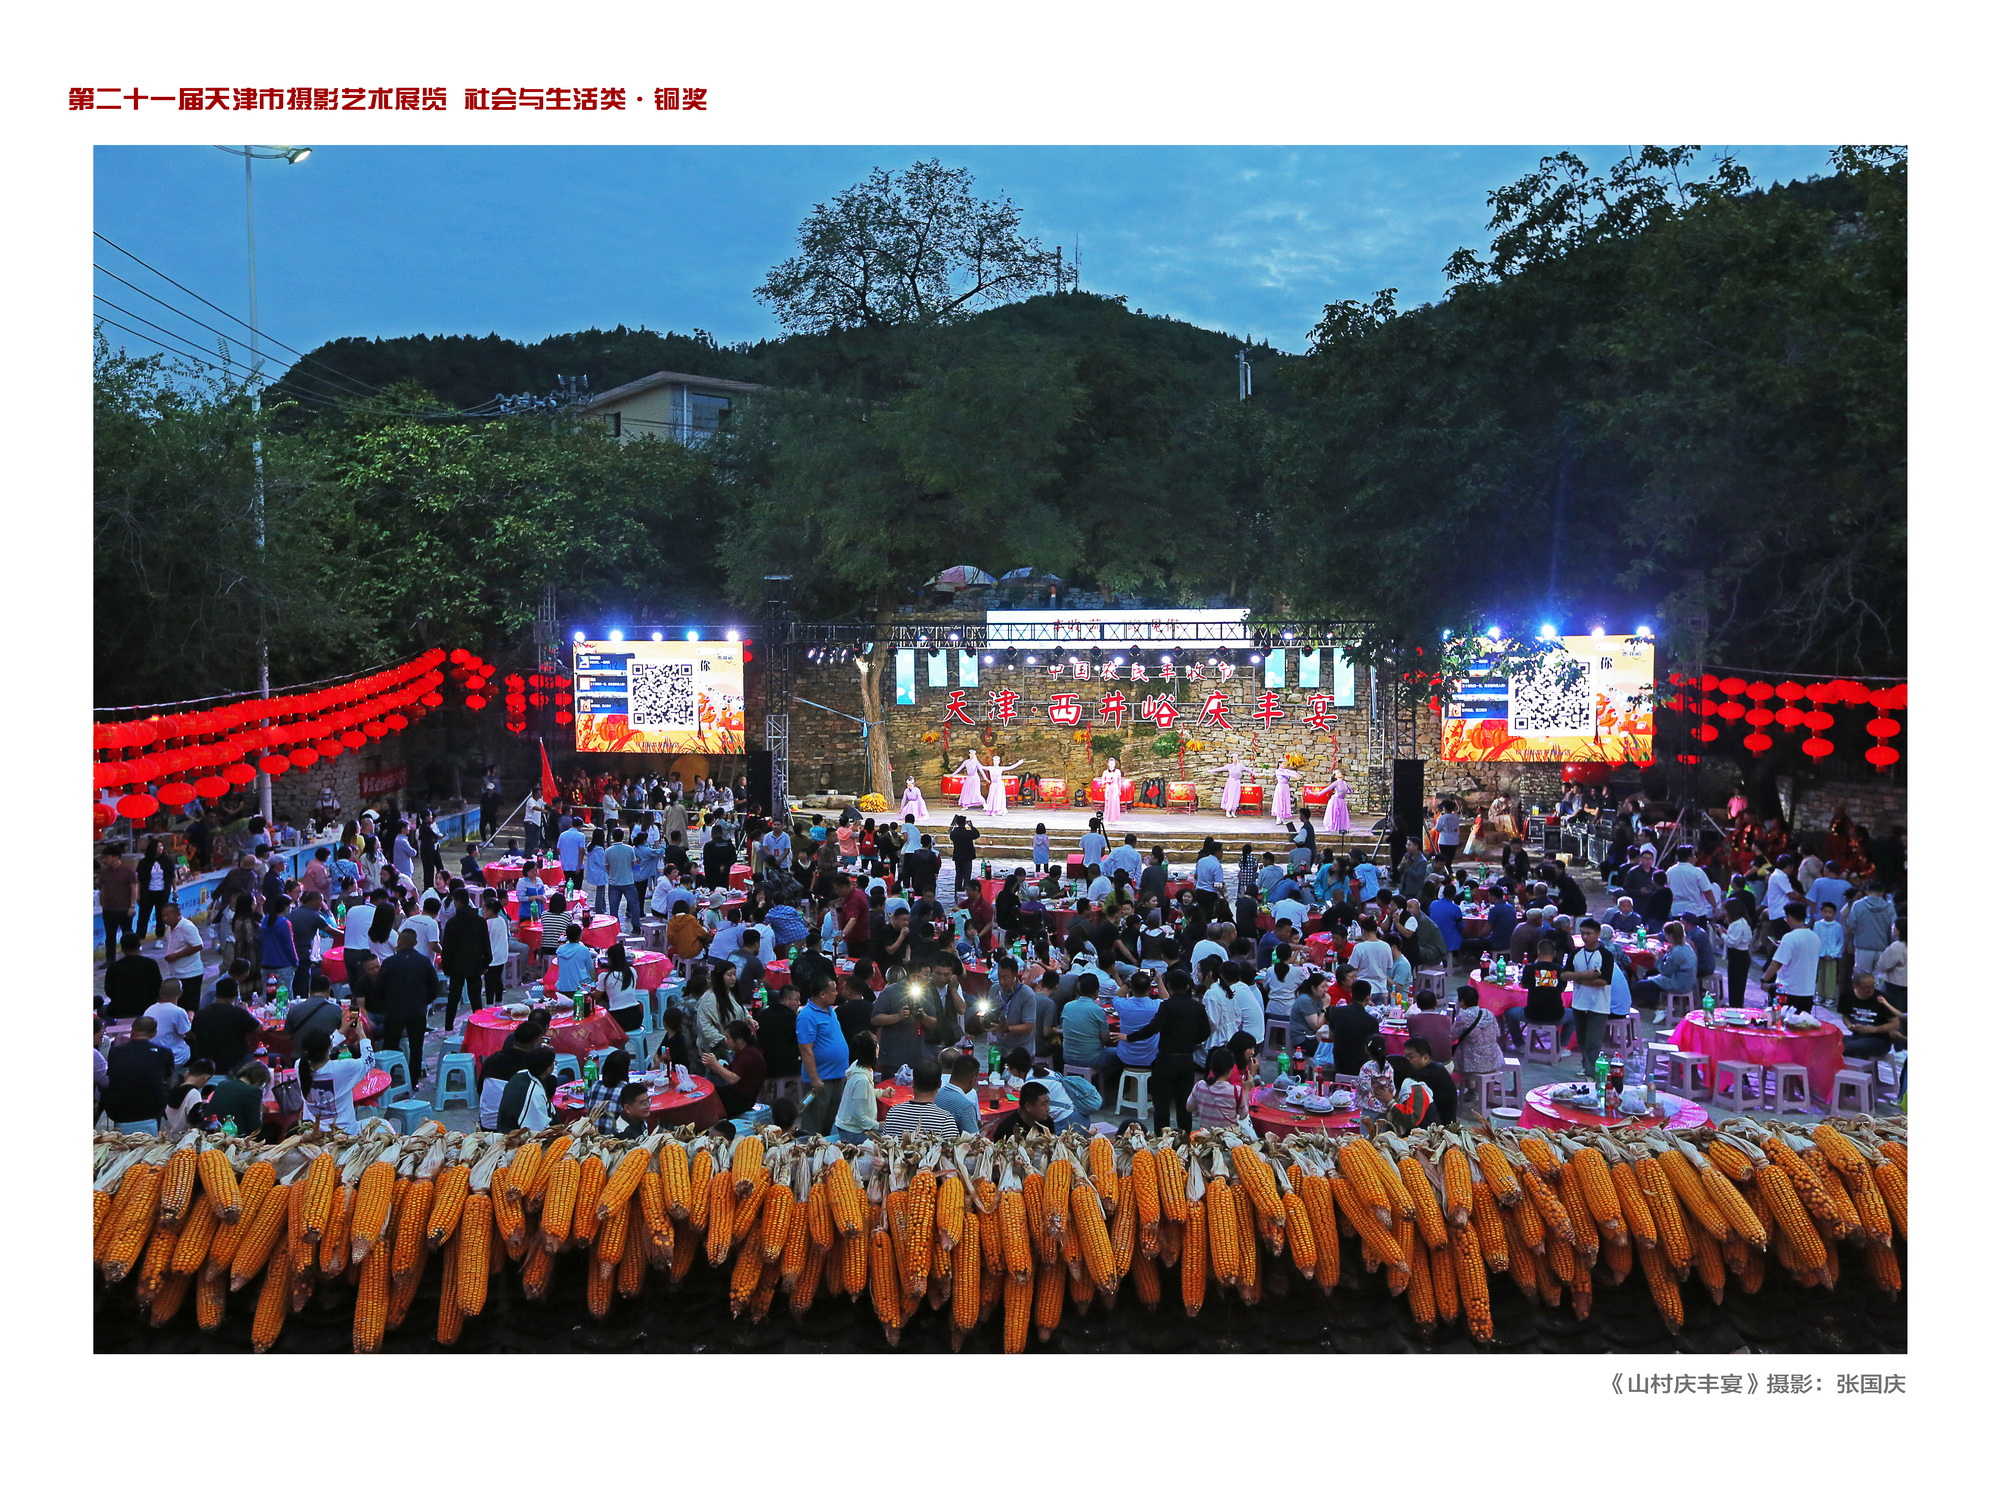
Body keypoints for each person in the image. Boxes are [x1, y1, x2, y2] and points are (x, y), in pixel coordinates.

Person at [1122, 968, 1208, 1132]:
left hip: (1166, 1059)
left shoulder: (1167, 1005)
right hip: (1186, 1059)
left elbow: (1152, 1028)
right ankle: (1184, 1138)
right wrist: (1190, 1042)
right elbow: (1205, 1032)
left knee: (1162, 1105)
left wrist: (1129, 1037)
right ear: (1187, 986)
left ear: (1169, 986)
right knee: (1184, 1105)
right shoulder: (1198, 1007)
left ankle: (1162, 1139)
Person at [1563, 918, 1628, 1075]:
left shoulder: (1606, 955)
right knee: (1582, 1039)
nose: (1585, 937)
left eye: (1589, 933)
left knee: (1593, 1041)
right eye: (1582, 933)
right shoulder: (1576, 953)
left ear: (1597, 934)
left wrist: (1578, 979)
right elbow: (1564, 975)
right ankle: (1586, 1066)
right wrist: (1585, 975)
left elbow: (1603, 981)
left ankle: (1592, 1071)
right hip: (1579, 1003)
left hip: (1599, 1004)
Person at [375, 928, 439, 1080]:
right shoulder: (424, 961)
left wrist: (386, 1004)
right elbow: (434, 986)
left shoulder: (389, 962)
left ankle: (387, 1077)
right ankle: (413, 1080)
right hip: (417, 1010)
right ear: (415, 943)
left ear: (399, 942)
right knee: (416, 1047)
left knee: (390, 1045)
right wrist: (424, 1001)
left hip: (394, 1010)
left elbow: (379, 987)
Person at [298, 1009, 377, 1131]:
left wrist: (341, 1031)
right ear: (329, 1047)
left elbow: (320, 1048)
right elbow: (369, 1061)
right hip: (344, 1133)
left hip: (312, 1132)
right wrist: (361, 1034)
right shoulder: (343, 1067)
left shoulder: (300, 1065)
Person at [795, 973, 851, 1136]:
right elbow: (805, 1049)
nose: (836, 993)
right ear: (822, 994)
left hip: (836, 1075)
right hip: (821, 1077)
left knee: (830, 1119)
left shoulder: (830, 1010)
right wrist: (814, 1078)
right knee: (814, 1121)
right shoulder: (807, 1016)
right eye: (833, 990)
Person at [102, 1015, 175, 1130]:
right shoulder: (165, 1052)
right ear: (155, 1033)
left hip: (118, 1108)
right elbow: (168, 1080)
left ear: (132, 1031)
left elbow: (112, 1078)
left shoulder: (115, 1051)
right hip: (151, 1107)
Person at [1506, 938, 1571, 1052]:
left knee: (1509, 1013)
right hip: (1556, 1015)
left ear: (1538, 952)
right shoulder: (1560, 970)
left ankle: (1519, 1044)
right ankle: (1562, 1046)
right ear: (1554, 953)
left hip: (1532, 1014)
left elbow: (1524, 985)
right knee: (1575, 1015)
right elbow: (1562, 989)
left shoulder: (1529, 968)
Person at [439, 891, 492, 1031]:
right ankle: (479, 1027)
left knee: (453, 998)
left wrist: (446, 967)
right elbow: (486, 944)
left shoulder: (452, 923)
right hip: (475, 964)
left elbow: (447, 948)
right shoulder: (480, 921)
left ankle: (448, 1028)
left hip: (456, 966)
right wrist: (486, 963)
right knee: (476, 998)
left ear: (457, 902)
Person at [188, 978, 260, 1075]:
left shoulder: (201, 1013)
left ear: (216, 993)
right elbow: (260, 1028)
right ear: (236, 994)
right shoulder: (239, 1013)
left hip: (206, 1061)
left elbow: (193, 1034)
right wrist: (246, 1011)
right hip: (234, 1063)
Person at [1632, 920, 1696, 1028]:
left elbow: (1665, 971)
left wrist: (1657, 959)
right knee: (1649, 975)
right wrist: (1663, 956)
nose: (1665, 937)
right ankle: (1661, 1004)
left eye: (1666, 935)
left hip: (1678, 983)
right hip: (1687, 980)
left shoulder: (1677, 952)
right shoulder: (1686, 946)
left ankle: (1660, 1007)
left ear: (1671, 936)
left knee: (1640, 985)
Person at [1389, 1035, 1457, 1129]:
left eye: (1411, 1057)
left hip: (1439, 1127)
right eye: (1405, 1056)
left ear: (1425, 1058)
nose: (1406, 1060)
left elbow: (1412, 1117)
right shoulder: (1435, 1068)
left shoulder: (1427, 1075)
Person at [1764, 903, 1822, 1013]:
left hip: (1787, 991)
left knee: (1782, 1020)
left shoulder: (1789, 937)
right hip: (1808, 992)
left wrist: (1764, 979)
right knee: (1802, 1022)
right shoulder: (1815, 938)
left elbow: (1777, 963)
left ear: (1789, 917)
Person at [704, 1018, 768, 1117]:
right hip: (736, 1092)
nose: (726, 1041)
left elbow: (733, 1079)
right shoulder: (741, 1052)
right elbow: (729, 1071)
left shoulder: (749, 1054)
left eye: (728, 1038)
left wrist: (715, 1065)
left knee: (708, 1104)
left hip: (743, 1099)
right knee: (708, 1094)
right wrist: (712, 1065)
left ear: (739, 1040)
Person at [880, 1058, 959, 1134]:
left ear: (913, 1083)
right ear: (939, 1084)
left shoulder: (894, 1113)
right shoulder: (945, 1120)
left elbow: (885, 1141)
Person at [1837, 971, 1904, 1060]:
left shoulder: (1883, 999)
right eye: (1865, 987)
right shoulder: (1846, 996)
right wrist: (1850, 1025)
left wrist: (1872, 1029)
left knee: (1847, 1047)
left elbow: (1895, 1024)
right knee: (1832, 1043)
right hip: (1857, 1036)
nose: (1870, 990)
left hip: (1879, 1039)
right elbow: (1845, 1016)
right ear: (1855, 986)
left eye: (1872, 986)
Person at [833, 1031, 884, 1143]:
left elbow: (865, 1093)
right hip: (852, 1133)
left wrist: (882, 1093)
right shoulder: (862, 1080)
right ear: (874, 1051)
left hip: (853, 1128)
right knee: (887, 1139)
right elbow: (859, 1116)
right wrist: (878, 1125)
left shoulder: (858, 1065)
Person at [160, 900, 207, 1013]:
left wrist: (176, 955)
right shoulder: (170, 928)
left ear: (178, 914)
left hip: (190, 973)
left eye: (168, 915)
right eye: (163, 916)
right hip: (177, 972)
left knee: (190, 1007)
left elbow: (198, 945)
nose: (165, 918)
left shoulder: (187, 926)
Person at [102, 934, 163, 1020]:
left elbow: (109, 990)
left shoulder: (114, 967)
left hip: (119, 1010)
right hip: (147, 1008)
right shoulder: (151, 964)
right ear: (139, 946)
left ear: (122, 948)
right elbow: (158, 987)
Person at [1326, 981, 1381, 1076]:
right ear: (1368, 997)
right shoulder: (1372, 1021)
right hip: (1362, 1066)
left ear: (1351, 994)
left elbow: (1331, 1036)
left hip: (1340, 1063)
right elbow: (1373, 1050)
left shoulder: (1336, 1012)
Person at [498, 1046, 557, 1132]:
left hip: (507, 1124)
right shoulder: (535, 1093)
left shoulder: (521, 1074)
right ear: (549, 1069)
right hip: (516, 1134)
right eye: (553, 1063)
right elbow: (539, 1130)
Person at [1189, 1045, 1249, 1130]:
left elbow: (1190, 1107)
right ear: (1231, 1069)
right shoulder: (1236, 1091)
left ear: (1212, 1067)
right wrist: (1247, 1090)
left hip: (1205, 1135)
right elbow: (1244, 1115)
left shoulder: (1200, 1085)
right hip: (1228, 1136)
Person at [208, 1060, 271, 1139]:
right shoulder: (253, 1091)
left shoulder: (222, 1084)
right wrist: (260, 1113)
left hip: (214, 1133)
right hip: (237, 1137)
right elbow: (255, 1128)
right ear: (259, 1081)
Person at [935, 1052, 983, 1134]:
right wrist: (985, 1131)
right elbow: (973, 1139)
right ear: (972, 1080)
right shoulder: (966, 1106)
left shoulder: (935, 1094)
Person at [1405, 989, 1455, 1061]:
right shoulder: (1446, 1019)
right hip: (1446, 1062)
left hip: (1423, 1063)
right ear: (1436, 1003)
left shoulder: (1412, 1019)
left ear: (1417, 1005)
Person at [1813, 901, 1848, 1003]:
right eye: (1825, 912)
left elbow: (1840, 942)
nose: (1827, 914)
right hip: (1820, 954)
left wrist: (1833, 954)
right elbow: (1815, 939)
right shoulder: (1817, 925)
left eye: (1830, 912)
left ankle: (1830, 996)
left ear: (1834, 913)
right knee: (1820, 975)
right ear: (1821, 912)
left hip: (1832, 956)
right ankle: (1820, 994)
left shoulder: (1837, 926)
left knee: (1830, 976)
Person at [1872, 920, 1908, 1013]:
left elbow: (1883, 964)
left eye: (1894, 927)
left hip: (1896, 984)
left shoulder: (1897, 946)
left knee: (1895, 1011)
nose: (1892, 928)